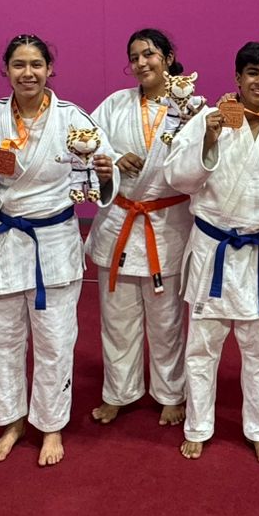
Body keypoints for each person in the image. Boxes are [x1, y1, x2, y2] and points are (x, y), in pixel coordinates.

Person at [0, 34, 114, 467]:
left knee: (55, 341)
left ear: (50, 70)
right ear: (6, 70)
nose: (28, 73)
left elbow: (100, 176)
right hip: (5, 238)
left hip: (54, 241)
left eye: (36, 65)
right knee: (1, 341)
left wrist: (105, 174)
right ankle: (11, 421)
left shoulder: (74, 119)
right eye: (19, 65)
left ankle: (51, 425)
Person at [165, 41, 259, 462]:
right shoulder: (207, 119)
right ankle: (198, 425)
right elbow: (177, 178)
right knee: (201, 348)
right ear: (237, 77)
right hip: (212, 248)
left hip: (256, 254)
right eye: (252, 72)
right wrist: (208, 141)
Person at [85, 29, 194, 428]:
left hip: (166, 225)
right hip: (120, 223)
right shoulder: (115, 105)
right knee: (117, 321)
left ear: (168, 57)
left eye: (149, 54)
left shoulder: (190, 106)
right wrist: (114, 157)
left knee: (167, 322)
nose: (141, 63)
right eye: (134, 57)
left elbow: (201, 159)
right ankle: (119, 391)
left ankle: (170, 393)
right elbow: (84, 144)